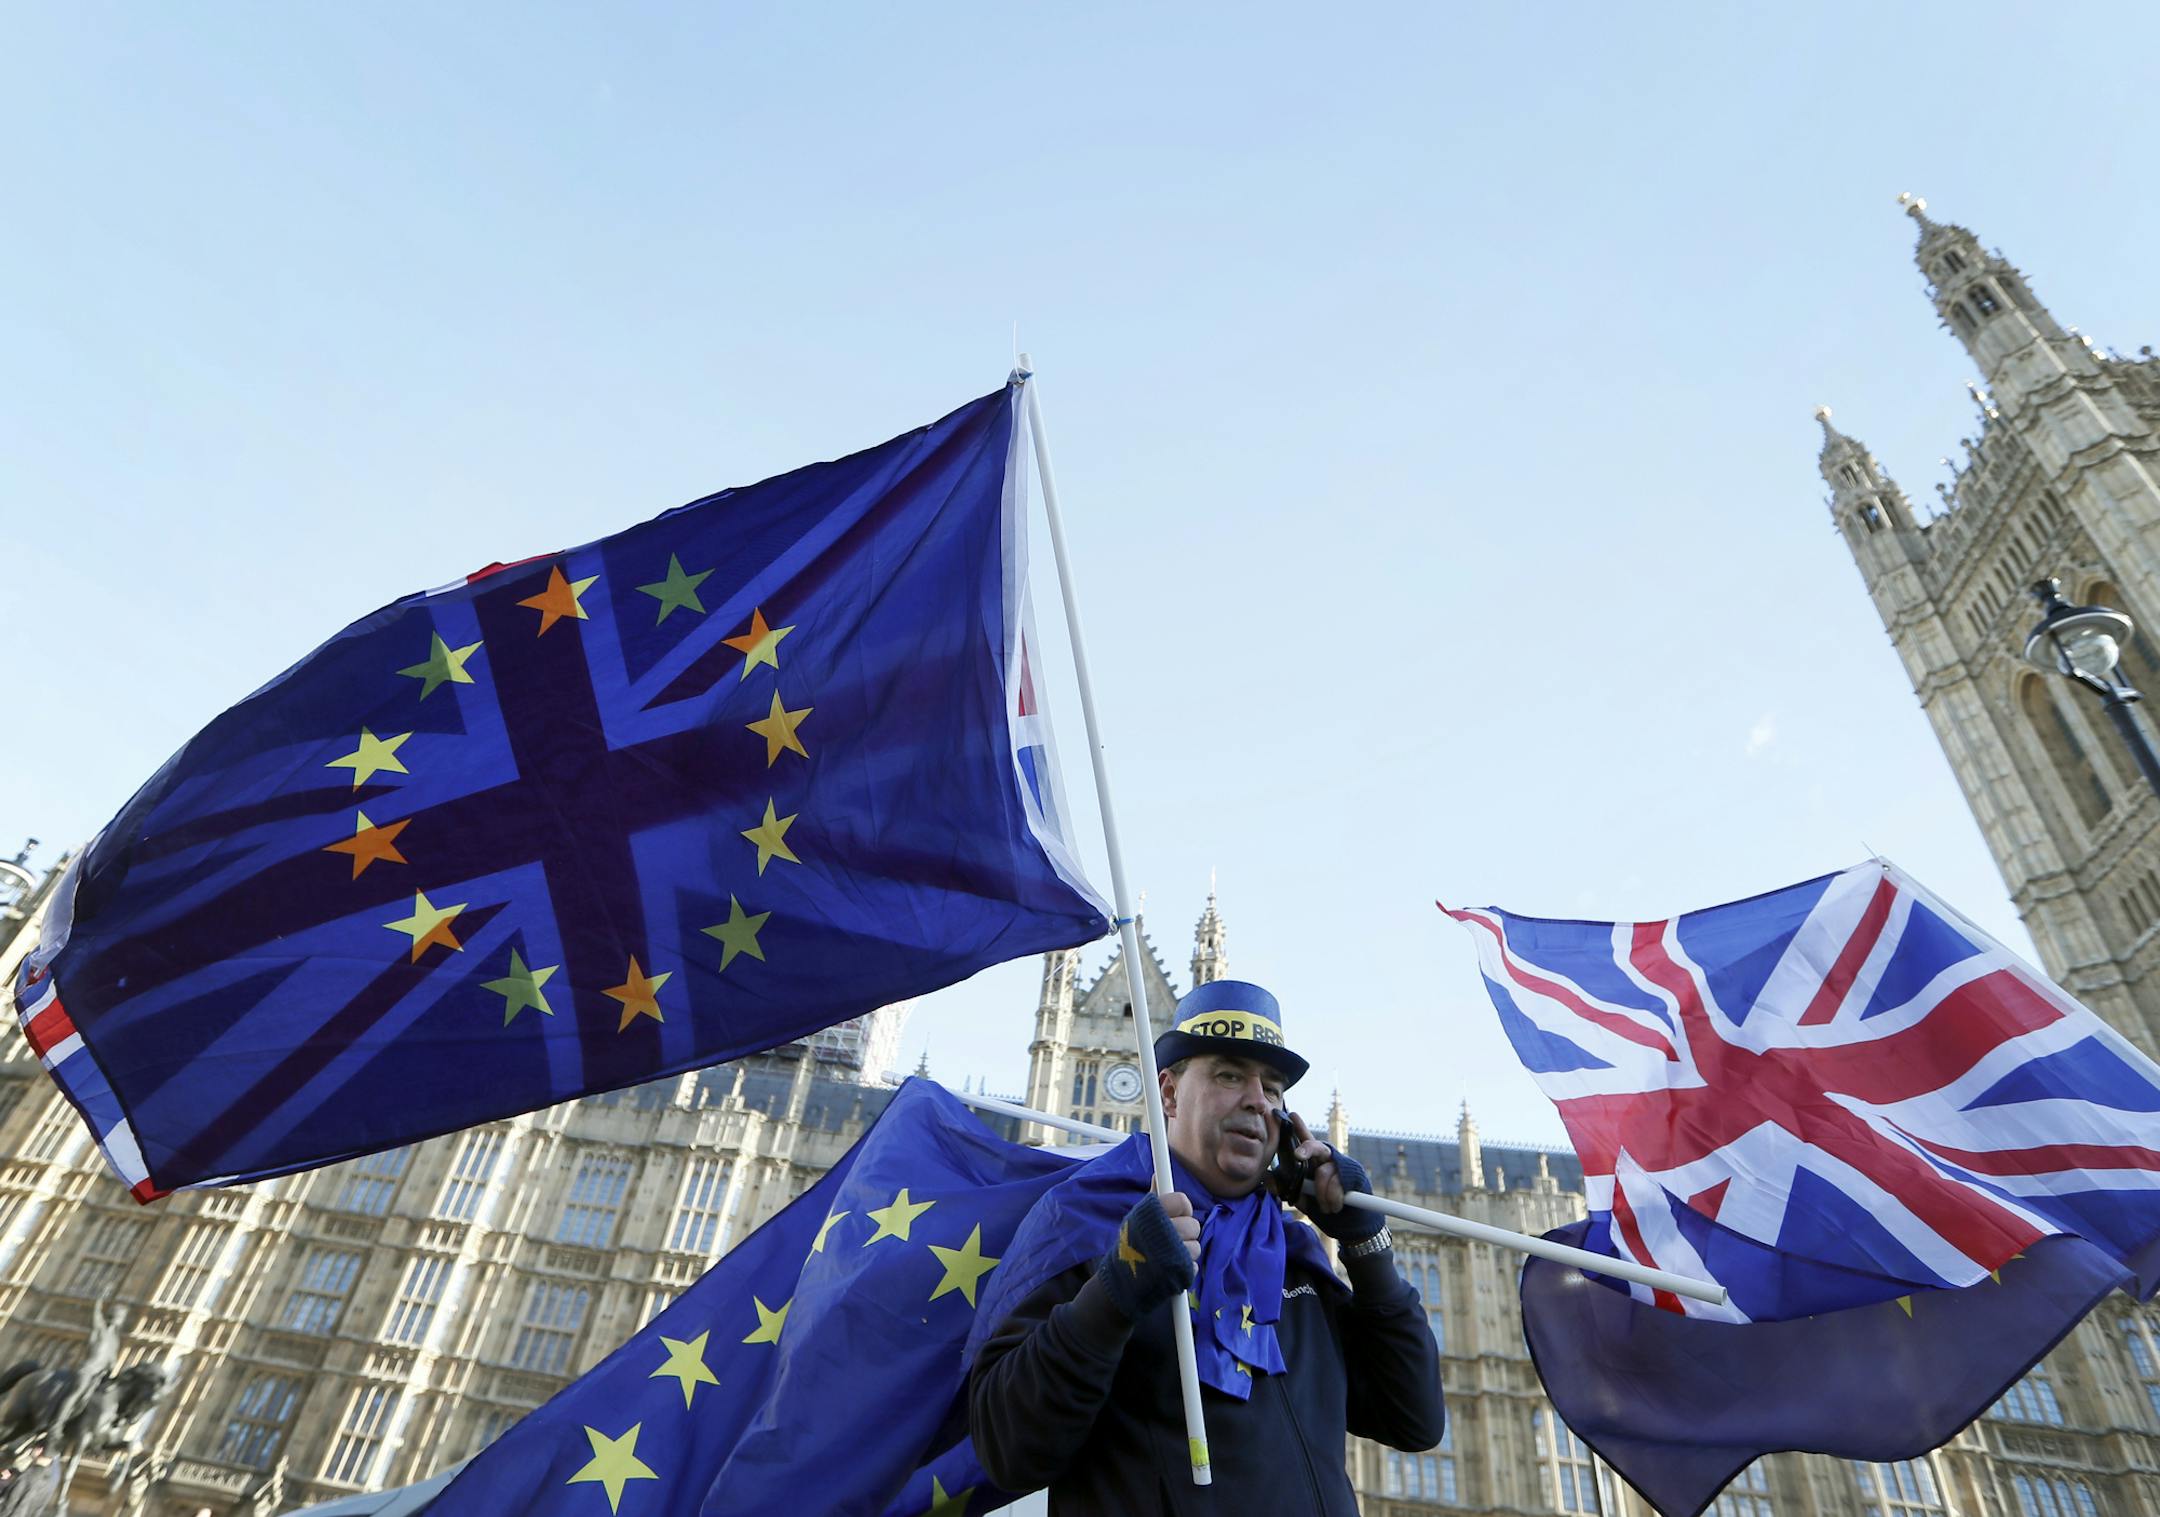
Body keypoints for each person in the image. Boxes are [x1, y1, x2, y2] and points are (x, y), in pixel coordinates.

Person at [968, 979, 1445, 1514]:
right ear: (1168, 1094)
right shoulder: (1083, 1220)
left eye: (1273, 1087)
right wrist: (1115, 1291)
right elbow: (1008, 1448)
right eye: (1228, 1074)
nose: (1256, 1100)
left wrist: (1366, 1245)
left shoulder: (1293, 1252)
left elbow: (1414, 1419)